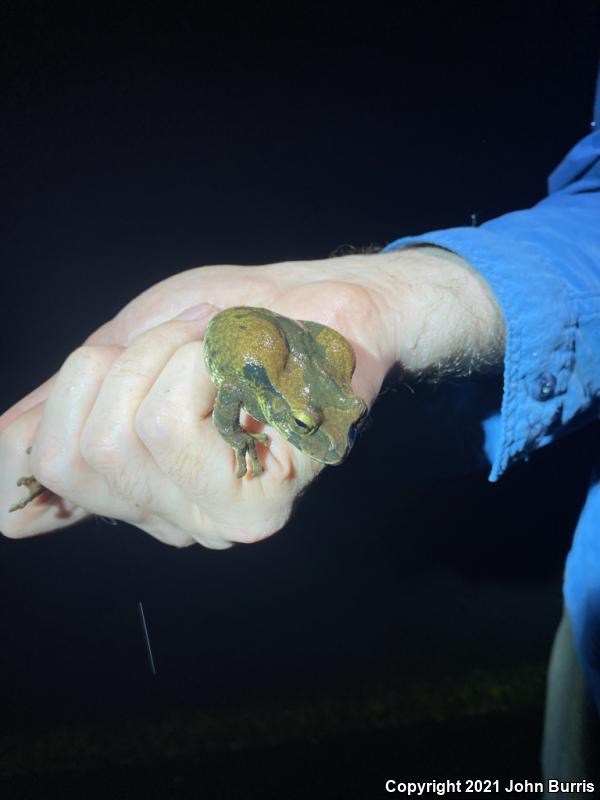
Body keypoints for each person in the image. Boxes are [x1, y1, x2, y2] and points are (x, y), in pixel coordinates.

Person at [1, 65, 598, 785]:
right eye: (323, 420)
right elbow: (238, 398)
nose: (337, 436)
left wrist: (369, 321)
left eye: (336, 419)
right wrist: (383, 302)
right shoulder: (264, 389)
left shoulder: (317, 385)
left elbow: (323, 366)